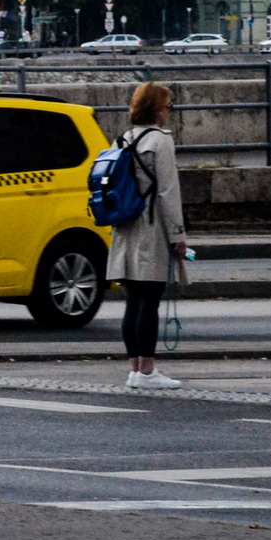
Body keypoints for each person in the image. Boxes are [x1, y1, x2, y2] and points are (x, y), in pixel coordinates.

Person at [109, 81, 188, 389]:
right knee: (150, 302)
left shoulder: (123, 140)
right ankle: (148, 371)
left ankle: (134, 369)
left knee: (133, 302)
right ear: (158, 110)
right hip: (151, 228)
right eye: (168, 107)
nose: (169, 113)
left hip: (125, 228)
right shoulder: (160, 141)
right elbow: (168, 193)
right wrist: (178, 236)